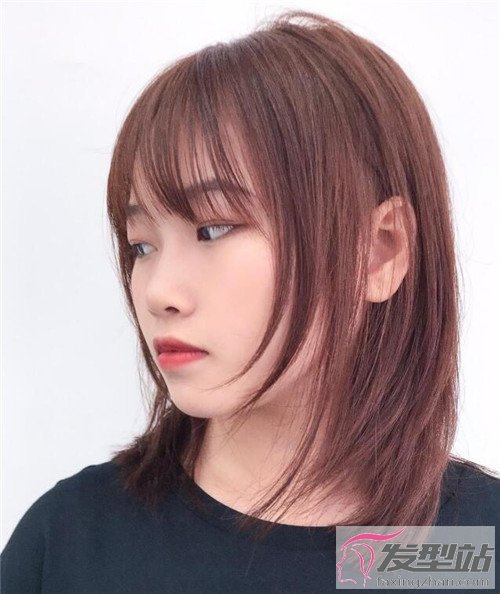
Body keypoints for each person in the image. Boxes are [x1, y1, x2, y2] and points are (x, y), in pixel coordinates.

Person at [2, 9, 499, 593]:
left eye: (213, 229)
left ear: (377, 251)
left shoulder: (469, 549)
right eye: (141, 245)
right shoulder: (73, 542)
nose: (158, 292)